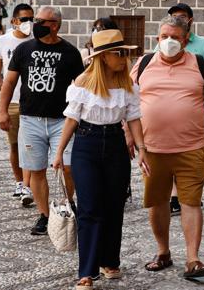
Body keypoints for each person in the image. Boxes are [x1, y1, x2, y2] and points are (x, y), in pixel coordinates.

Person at [130, 16, 204, 278]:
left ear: (186, 39)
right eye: (164, 36)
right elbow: (128, 102)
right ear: (157, 38)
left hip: (191, 147)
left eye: (175, 37)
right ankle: (163, 251)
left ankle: (193, 259)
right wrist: (128, 134)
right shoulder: (143, 64)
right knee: (157, 202)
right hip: (153, 148)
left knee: (191, 202)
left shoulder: (200, 65)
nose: (169, 42)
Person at [53, 29, 145, 290]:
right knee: (90, 207)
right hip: (87, 144)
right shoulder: (82, 84)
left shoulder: (128, 84)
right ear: (103, 57)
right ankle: (87, 271)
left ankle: (109, 261)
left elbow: (134, 119)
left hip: (116, 143)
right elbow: (71, 119)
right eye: (120, 53)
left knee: (114, 206)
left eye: (125, 53)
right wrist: (59, 152)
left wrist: (142, 149)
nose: (124, 58)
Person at [0, 6, 84, 235]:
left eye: (40, 21)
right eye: (35, 20)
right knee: (36, 170)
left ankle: (67, 203)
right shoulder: (24, 50)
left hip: (62, 121)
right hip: (30, 119)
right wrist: (2, 110)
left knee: (68, 167)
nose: (35, 24)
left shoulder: (70, 52)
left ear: (54, 24)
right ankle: (45, 215)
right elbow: (9, 83)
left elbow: (82, 87)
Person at [154, 3, 204, 216]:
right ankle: (175, 196)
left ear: (190, 20)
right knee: (172, 154)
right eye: (174, 16)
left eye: (182, 17)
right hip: (168, 115)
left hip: (198, 111)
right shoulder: (164, 41)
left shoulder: (203, 44)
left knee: (198, 155)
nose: (178, 20)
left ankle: (193, 194)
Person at [0, 3, 34, 202]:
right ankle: (20, 182)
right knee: (15, 145)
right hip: (12, 101)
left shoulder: (36, 40)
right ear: (14, 21)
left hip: (33, 101)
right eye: (25, 19)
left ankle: (28, 186)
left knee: (30, 146)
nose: (29, 23)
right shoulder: (3, 41)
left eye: (31, 19)